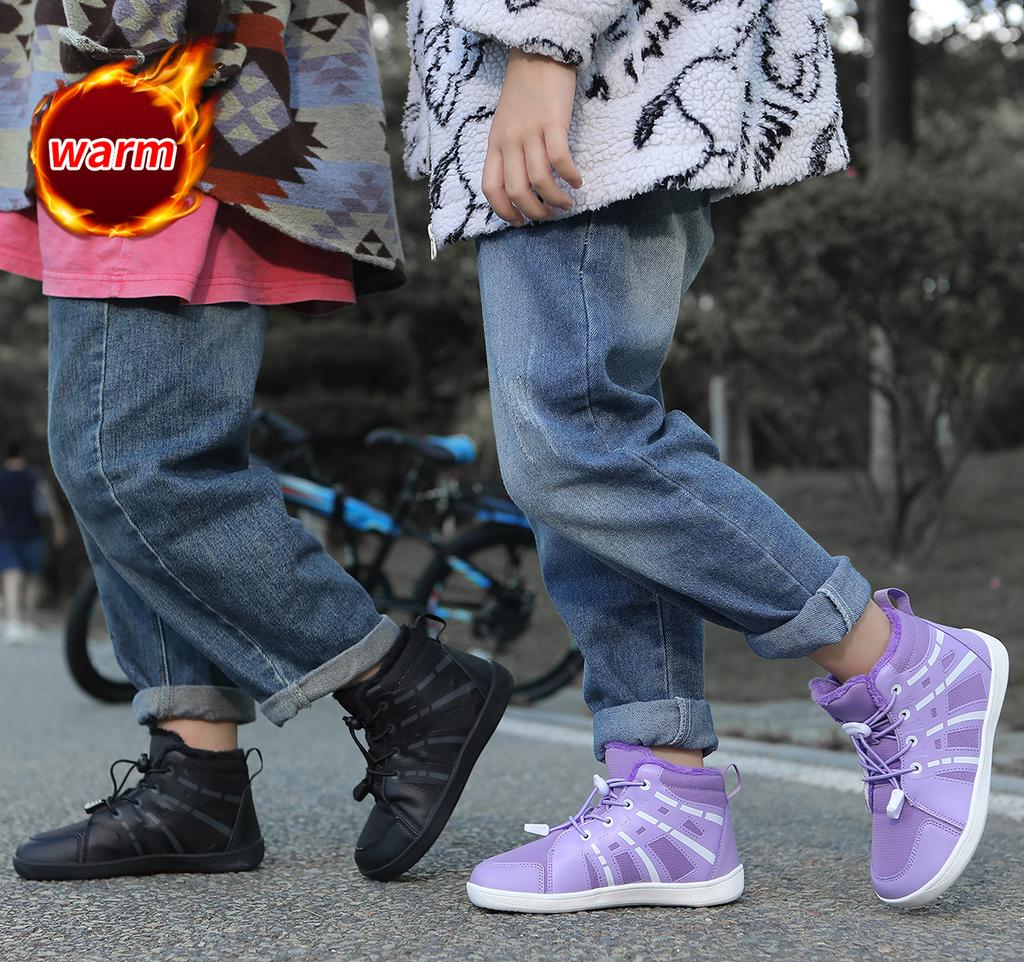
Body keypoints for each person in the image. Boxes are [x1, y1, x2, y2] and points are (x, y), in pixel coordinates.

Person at [402, 1, 1008, 910]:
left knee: (574, 437)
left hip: (594, 62)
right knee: (583, 447)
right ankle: (666, 797)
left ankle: (895, 661)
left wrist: (545, 37)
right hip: (550, 72)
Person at [6, 2, 512, 883]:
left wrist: (138, 29)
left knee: (128, 462)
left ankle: (405, 683)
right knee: (129, 455)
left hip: (155, 82)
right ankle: (195, 779)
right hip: (123, 89)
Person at [0, 441, 65, 643]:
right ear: (22, 455)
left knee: (11, 576)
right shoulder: (34, 476)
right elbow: (47, 502)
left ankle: (13, 622)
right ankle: (26, 620)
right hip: (32, 532)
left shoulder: (1, 478)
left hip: (7, 534)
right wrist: (58, 525)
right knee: (31, 577)